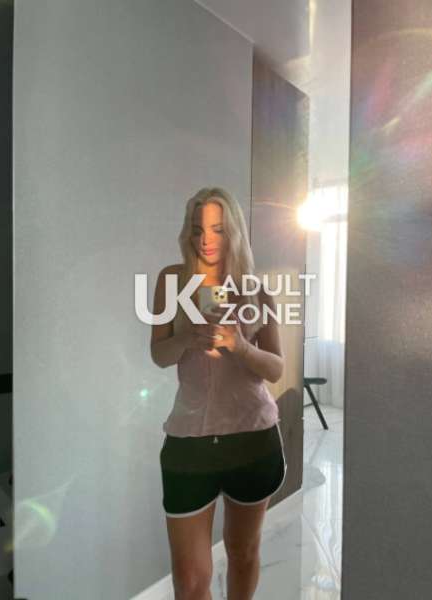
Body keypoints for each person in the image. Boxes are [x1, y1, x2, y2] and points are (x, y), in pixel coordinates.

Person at [150, 187, 287, 600]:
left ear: (234, 232)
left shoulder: (256, 289)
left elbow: (276, 368)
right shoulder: (171, 281)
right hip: (189, 442)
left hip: (252, 438)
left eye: (217, 229)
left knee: (243, 553)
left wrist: (240, 346)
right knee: (189, 581)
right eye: (197, 229)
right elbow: (159, 355)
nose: (205, 239)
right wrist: (188, 337)